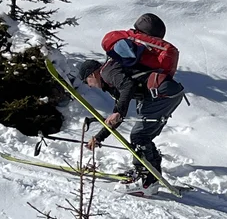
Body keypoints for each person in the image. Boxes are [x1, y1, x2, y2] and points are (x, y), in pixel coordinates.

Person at [78, 12, 186, 194]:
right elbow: (118, 115)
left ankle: (145, 181)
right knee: (143, 136)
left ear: (91, 74)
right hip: (166, 94)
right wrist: (99, 137)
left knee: (139, 137)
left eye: (87, 82)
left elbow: (126, 88)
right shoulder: (113, 75)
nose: (90, 87)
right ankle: (150, 173)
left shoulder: (107, 71)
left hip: (162, 94)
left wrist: (118, 111)